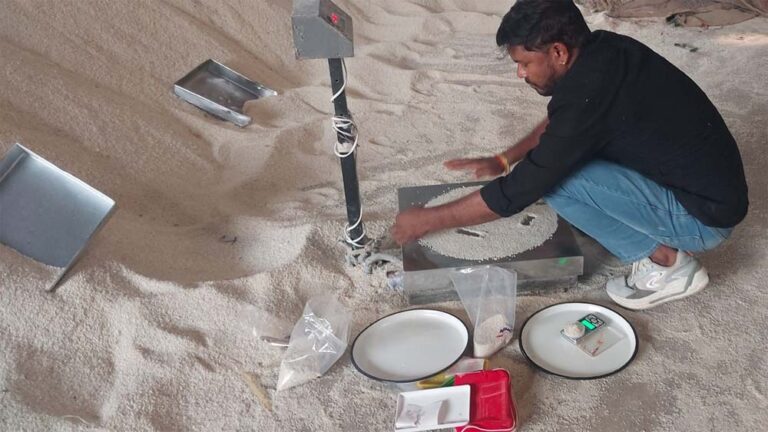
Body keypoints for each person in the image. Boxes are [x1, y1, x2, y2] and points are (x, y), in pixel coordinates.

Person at [391, 0, 748, 310]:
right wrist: (505, 158)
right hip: (710, 189)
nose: (520, 73)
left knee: (557, 181)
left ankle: (668, 264)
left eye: (525, 63)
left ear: (558, 52)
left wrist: (428, 220)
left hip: (702, 219)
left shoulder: (586, 97)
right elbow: (565, 122)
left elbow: (518, 191)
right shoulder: (604, 49)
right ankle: (658, 231)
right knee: (565, 160)